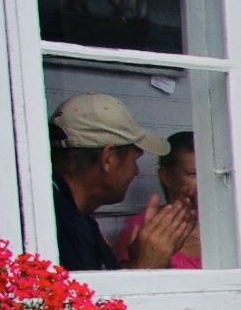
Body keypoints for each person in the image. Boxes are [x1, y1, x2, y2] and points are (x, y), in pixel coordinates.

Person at [48, 93, 192, 271]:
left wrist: (136, 262)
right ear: (108, 158)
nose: (136, 171)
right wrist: (144, 266)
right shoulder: (57, 227)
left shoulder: (74, 218)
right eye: (134, 159)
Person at [119, 130, 201, 267]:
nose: (205, 182)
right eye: (193, 174)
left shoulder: (229, 225)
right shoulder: (143, 232)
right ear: (166, 177)